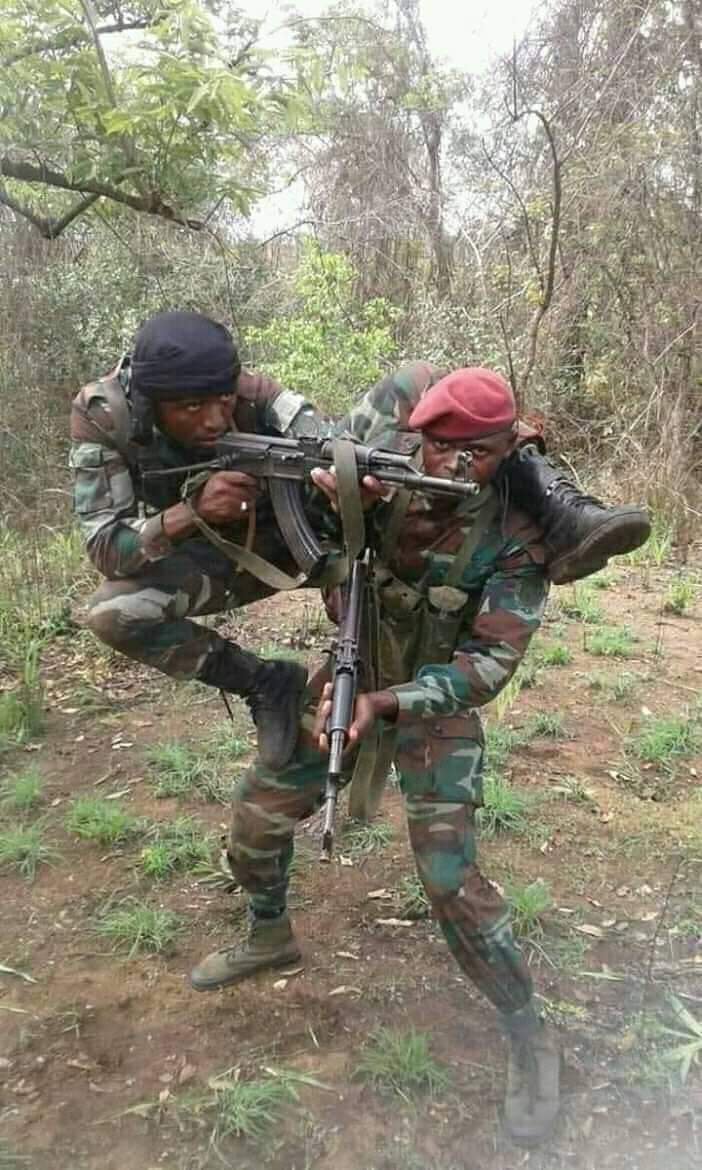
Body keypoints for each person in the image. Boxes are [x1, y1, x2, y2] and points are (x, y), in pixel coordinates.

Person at [189, 367, 575, 1145]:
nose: (443, 463)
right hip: (353, 670)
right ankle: (269, 932)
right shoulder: (379, 455)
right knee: (257, 819)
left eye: (465, 452)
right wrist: (338, 504)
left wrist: (391, 703)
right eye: (432, 445)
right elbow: (304, 538)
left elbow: (487, 667)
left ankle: (530, 1036)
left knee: (451, 882)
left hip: (432, 706)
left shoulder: (519, 529)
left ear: (500, 449)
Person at [70, 311, 649, 776]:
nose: (215, 419)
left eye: (223, 399)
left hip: (299, 538)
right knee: (113, 613)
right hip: (213, 549)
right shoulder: (105, 418)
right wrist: (189, 513)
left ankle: (560, 506)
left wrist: (345, 485)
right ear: (151, 405)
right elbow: (105, 548)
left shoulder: (254, 393)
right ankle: (264, 683)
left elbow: (325, 438)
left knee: (420, 382)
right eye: (191, 409)